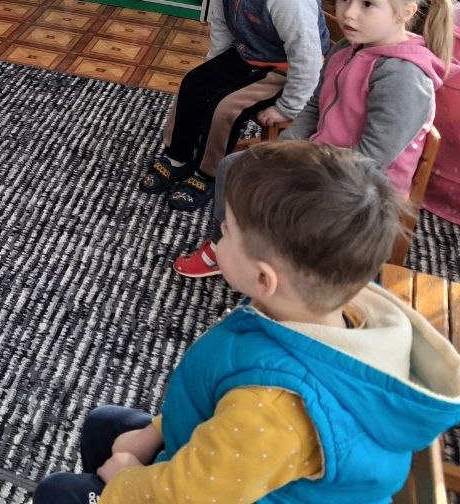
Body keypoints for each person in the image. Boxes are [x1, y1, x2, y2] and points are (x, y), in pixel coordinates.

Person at [34, 141, 460, 504]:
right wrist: (154, 433)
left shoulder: (273, 411)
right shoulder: (317, 311)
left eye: (227, 230)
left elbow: (187, 496)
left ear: (263, 278)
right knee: (105, 424)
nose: (218, 233)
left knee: (60, 492)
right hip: (229, 457)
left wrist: (123, 480)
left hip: (206, 488)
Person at [175, 0, 455, 278]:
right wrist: (287, 147)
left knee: (274, 196)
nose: (349, 14)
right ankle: (226, 246)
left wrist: (303, 168)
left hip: (362, 187)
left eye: (367, 4)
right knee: (234, 166)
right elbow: (314, 105)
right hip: (323, 158)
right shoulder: (346, 48)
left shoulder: (403, 76)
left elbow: (372, 158)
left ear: (405, 12)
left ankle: (278, 269)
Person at [142, 0, 328, 210]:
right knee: (193, 84)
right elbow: (221, 19)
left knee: (225, 107)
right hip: (246, 55)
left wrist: (288, 107)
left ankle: (209, 174)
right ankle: (178, 157)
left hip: (281, 70)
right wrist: (213, 65)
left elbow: (307, 60)